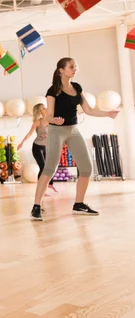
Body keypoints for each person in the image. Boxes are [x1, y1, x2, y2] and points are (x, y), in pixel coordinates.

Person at [30, 58, 119, 221]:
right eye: (71, 66)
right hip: (56, 131)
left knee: (86, 168)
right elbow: (48, 114)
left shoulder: (77, 87)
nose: (74, 68)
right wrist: (53, 120)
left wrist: (107, 113)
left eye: (75, 66)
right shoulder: (53, 90)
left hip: (73, 130)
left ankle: (79, 204)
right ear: (61, 71)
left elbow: (89, 110)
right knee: (49, 168)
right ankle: (36, 206)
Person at [17, 103, 58, 196]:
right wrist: (22, 142)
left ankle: (50, 184)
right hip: (37, 147)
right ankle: (41, 190)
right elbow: (29, 134)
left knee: (49, 167)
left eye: (45, 107)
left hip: (48, 147)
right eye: (43, 108)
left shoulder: (51, 120)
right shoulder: (37, 122)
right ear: (39, 112)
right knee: (43, 167)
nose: (46, 108)